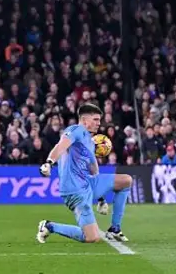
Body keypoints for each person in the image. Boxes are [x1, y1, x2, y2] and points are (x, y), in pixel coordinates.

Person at [36, 103, 133, 244]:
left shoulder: (90, 141)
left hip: (89, 183)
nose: (99, 123)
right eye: (95, 119)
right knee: (92, 238)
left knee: (125, 181)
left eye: (99, 120)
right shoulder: (76, 130)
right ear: (84, 120)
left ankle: (115, 228)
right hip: (75, 190)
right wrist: (49, 162)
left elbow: (93, 170)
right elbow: (61, 146)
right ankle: (50, 226)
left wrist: (101, 199)